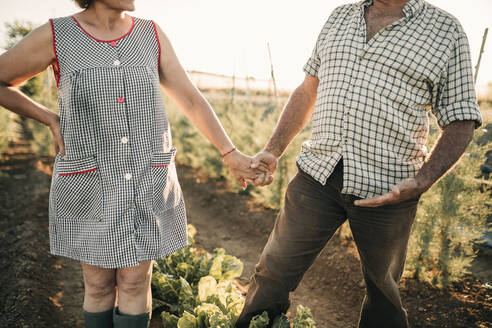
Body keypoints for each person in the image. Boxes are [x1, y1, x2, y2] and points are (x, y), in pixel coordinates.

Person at [0, 0, 268, 327]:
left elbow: (191, 99)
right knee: (98, 285)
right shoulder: (58, 34)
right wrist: (49, 119)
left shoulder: (150, 34)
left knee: (135, 281)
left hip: (146, 178)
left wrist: (231, 153)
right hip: (91, 181)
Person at [239, 0, 483, 327]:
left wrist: (421, 182)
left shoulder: (445, 31)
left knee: (384, 296)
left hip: (389, 191)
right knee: (272, 273)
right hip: (317, 176)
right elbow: (309, 89)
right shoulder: (340, 16)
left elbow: (462, 120)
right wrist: (273, 149)